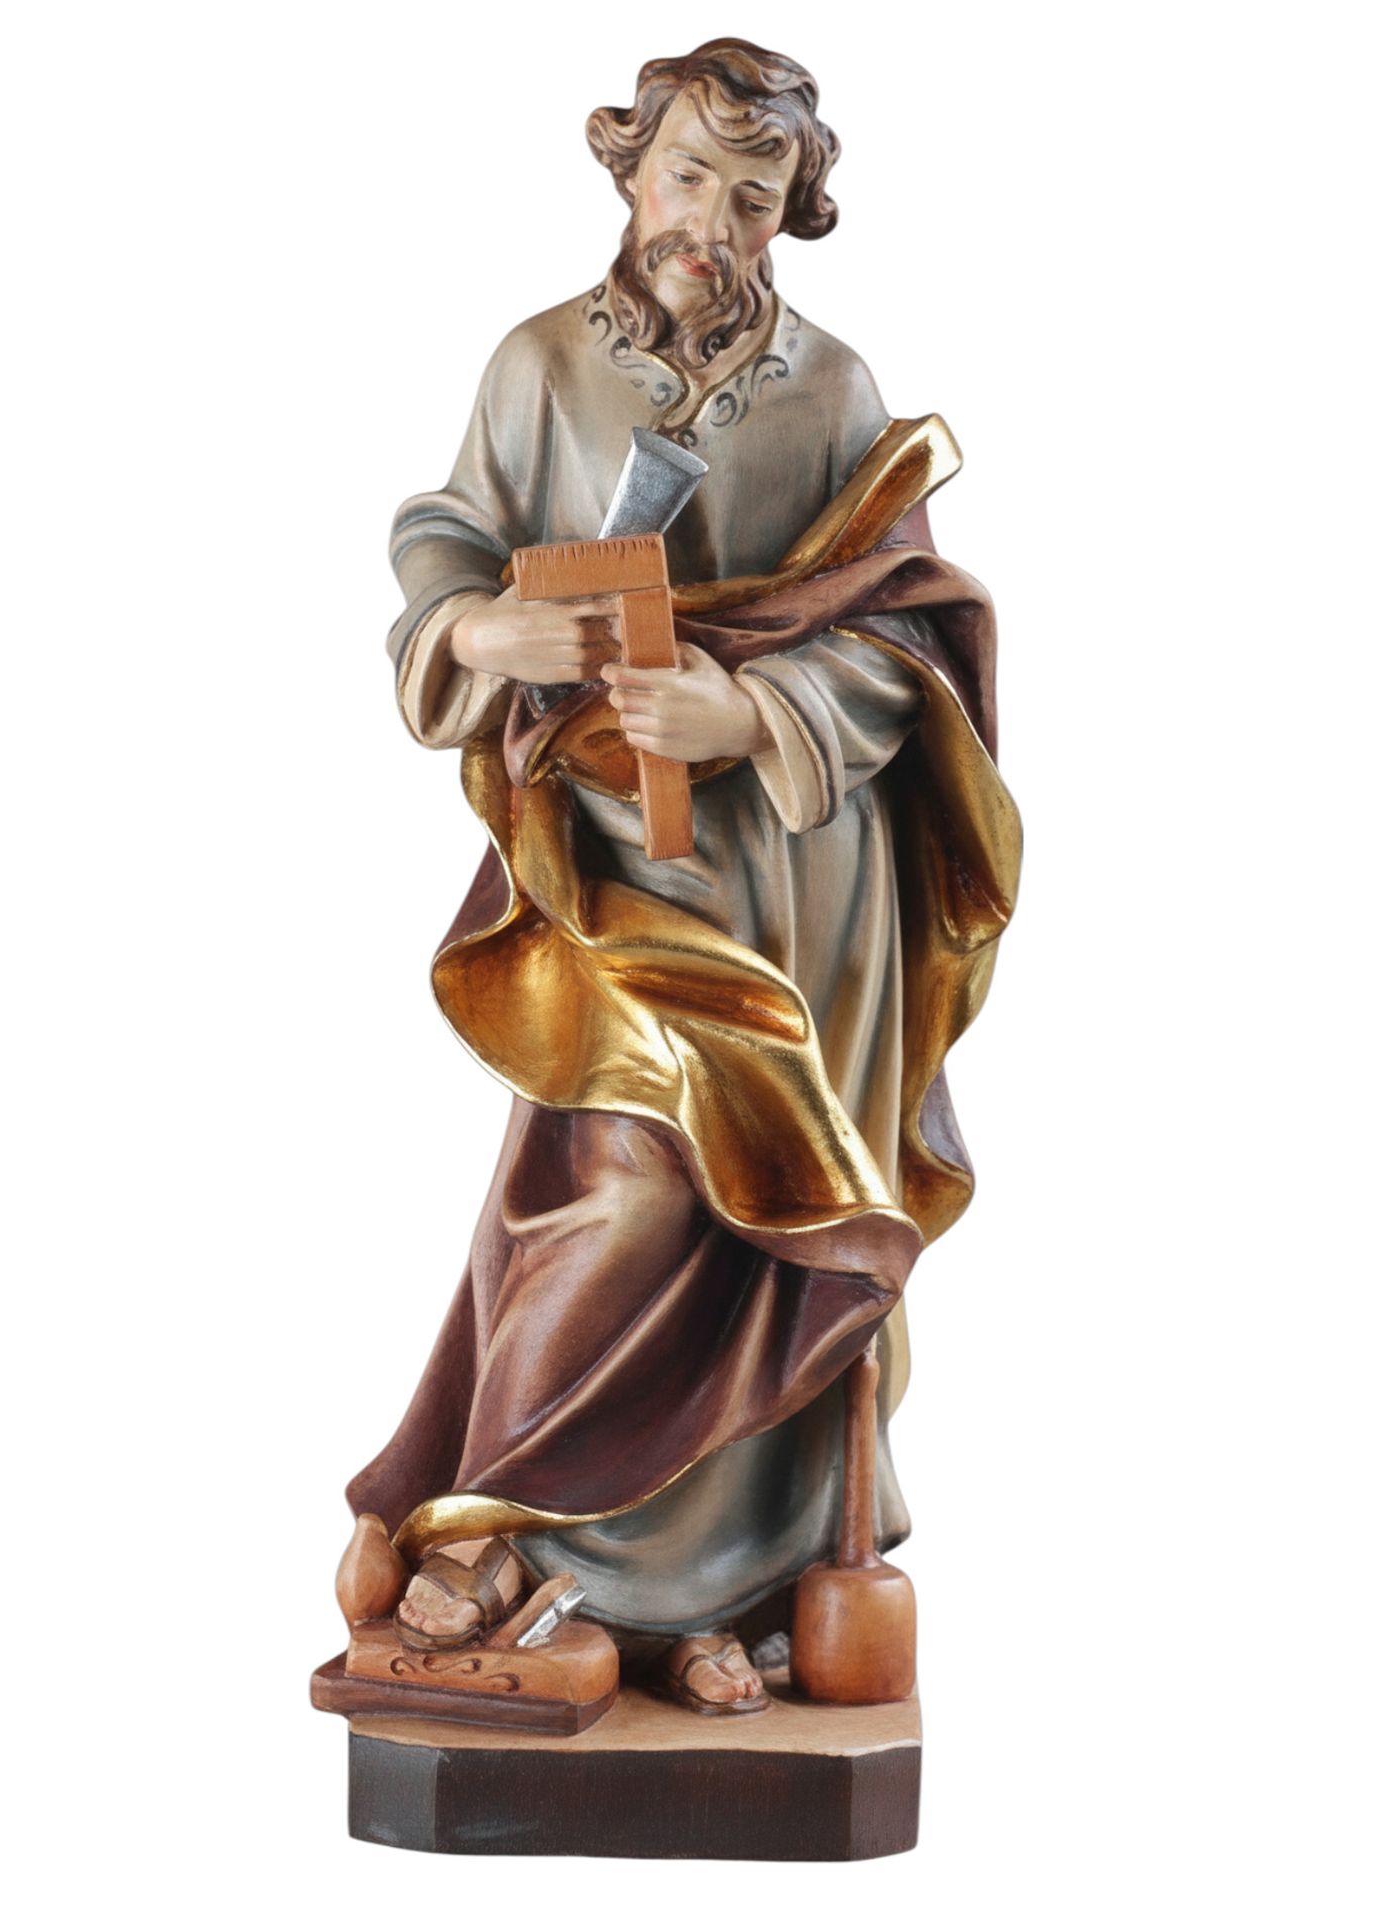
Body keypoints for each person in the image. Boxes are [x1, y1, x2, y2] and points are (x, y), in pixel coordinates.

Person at [344, 37, 1021, 1713]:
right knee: (619, 1183)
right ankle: (511, 1513)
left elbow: (906, 636)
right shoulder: (539, 366)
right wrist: (475, 628)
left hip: (803, 891)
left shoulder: (833, 389)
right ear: (629, 169)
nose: (711, 222)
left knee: (773, 1225)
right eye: (689, 177)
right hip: (605, 871)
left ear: (794, 210)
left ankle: (708, 1593)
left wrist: (753, 709)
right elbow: (449, 529)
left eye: (754, 193)